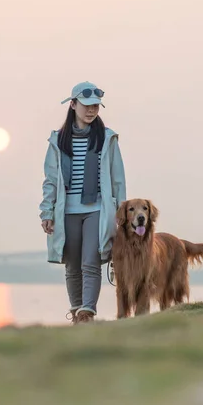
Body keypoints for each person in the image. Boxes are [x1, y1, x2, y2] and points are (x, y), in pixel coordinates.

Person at [39, 81, 126, 324]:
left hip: (97, 209)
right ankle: (76, 310)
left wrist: (122, 212)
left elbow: (117, 179)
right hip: (66, 211)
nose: (92, 110)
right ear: (73, 105)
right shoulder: (58, 141)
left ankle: (88, 311)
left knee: (91, 261)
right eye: (87, 105)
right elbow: (51, 180)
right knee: (72, 264)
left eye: (96, 106)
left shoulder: (107, 138)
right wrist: (46, 212)